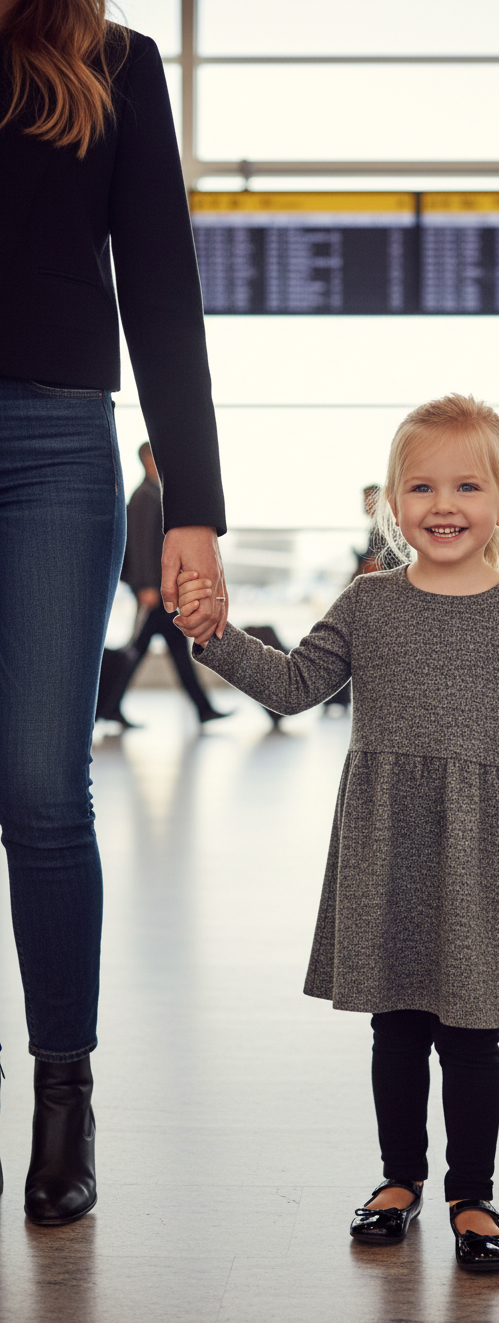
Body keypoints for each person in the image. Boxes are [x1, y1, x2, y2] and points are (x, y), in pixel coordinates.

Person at [177, 394, 499, 1272]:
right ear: (391, 505)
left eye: (468, 485)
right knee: (396, 1025)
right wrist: (217, 637)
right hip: (387, 838)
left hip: (485, 845)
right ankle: (398, 1179)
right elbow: (293, 685)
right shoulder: (368, 604)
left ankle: (470, 1194)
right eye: (423, 486)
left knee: (474, 1033)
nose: (445, 505)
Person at [0, 0, 227, 1227]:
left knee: (40, 785)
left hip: (53, 443)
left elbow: (161, 278)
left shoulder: (113, 60)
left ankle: (63, 1097)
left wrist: (191, 502)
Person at [106, 442, 229, 726]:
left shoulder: (155, 494)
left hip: (163, 593)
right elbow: (138, 545)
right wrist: (144, 586)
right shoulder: (144, 496)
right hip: (154, 593)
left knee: (170, 653)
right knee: (135, 654)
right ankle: (109, 706)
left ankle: (202, 708)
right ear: (148, 461)